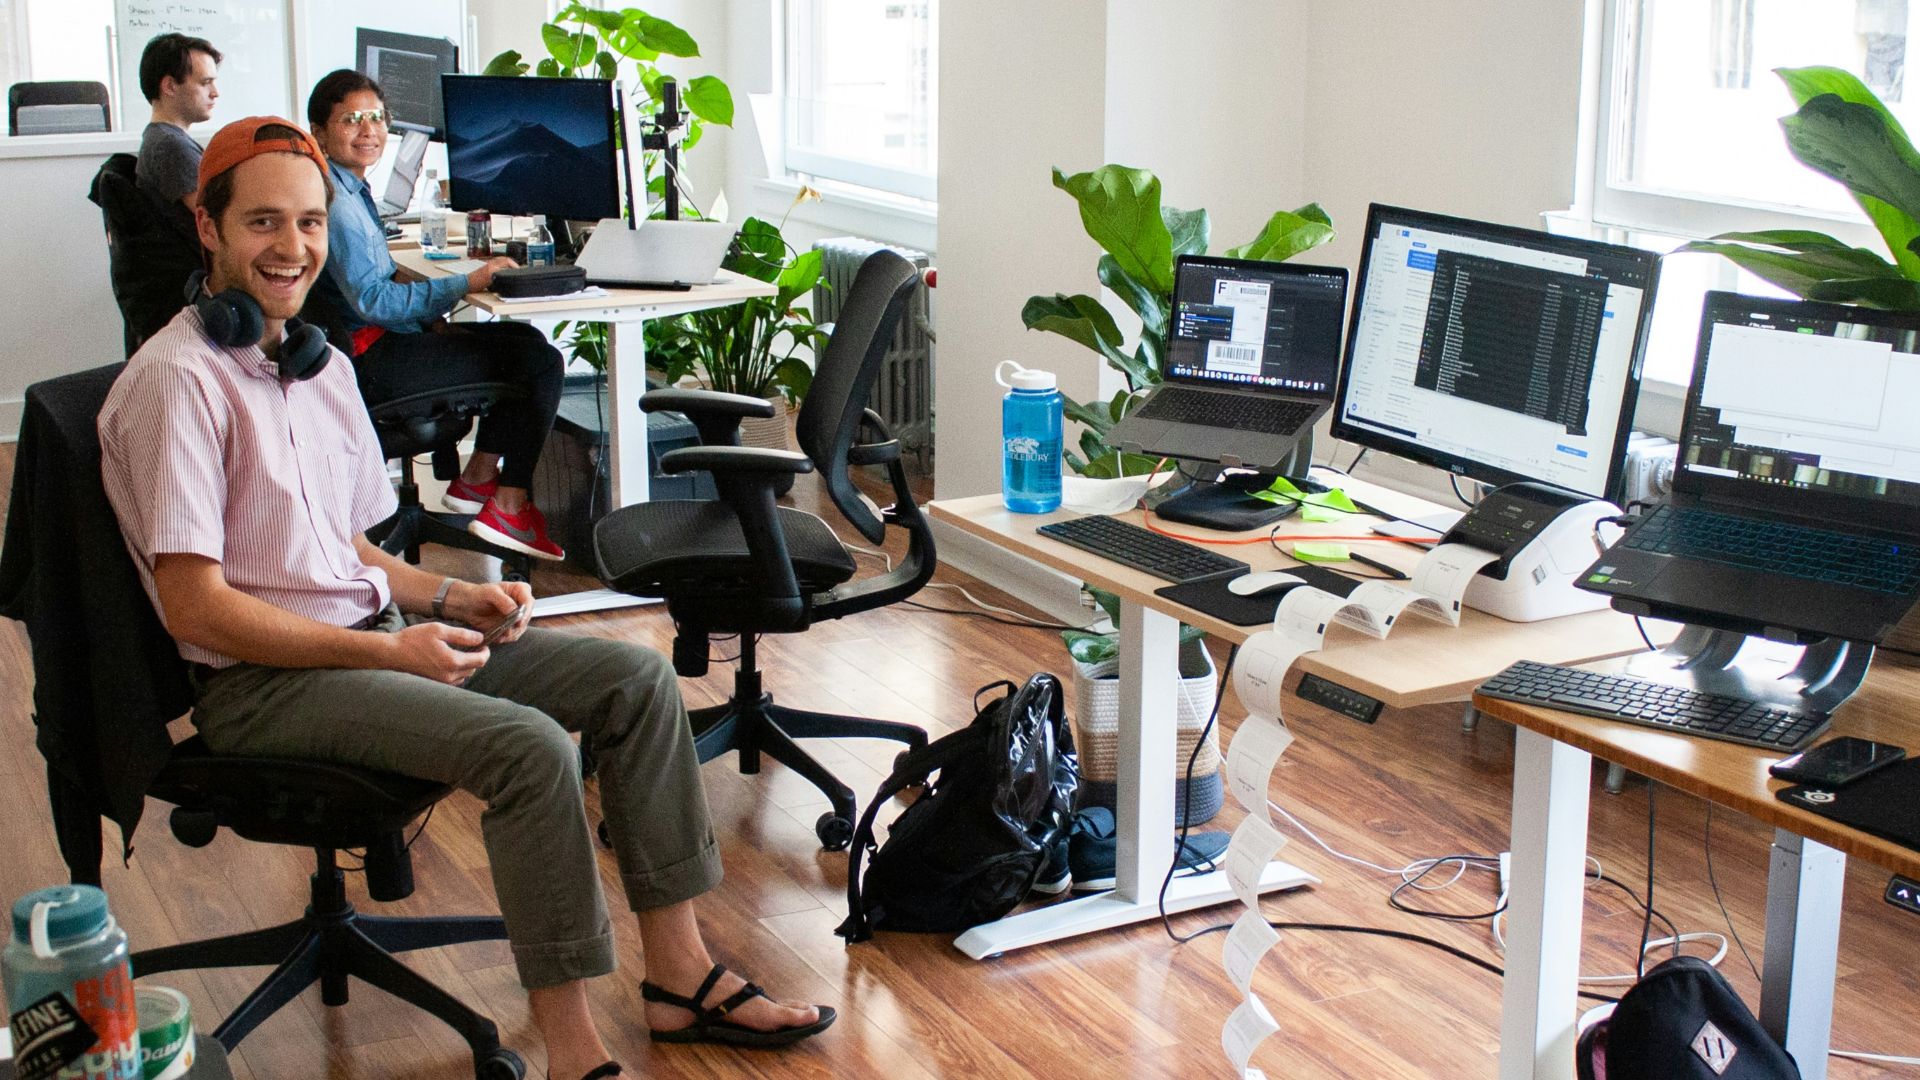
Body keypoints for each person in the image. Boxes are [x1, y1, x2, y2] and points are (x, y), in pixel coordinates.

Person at [97, 117, 833, 1080]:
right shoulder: (178, 382)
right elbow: (196, 610)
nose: (292, 249)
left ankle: (678, 977)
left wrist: (446, 596)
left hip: (373, 635)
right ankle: (573, 1053)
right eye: (264, 223)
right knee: (528, 750)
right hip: (264, 682)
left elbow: (350, 549)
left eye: (312, 223)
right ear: (208, 226)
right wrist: (390, 651)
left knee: (636, 684)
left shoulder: (312, 367)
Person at [305, 68, 568, 561]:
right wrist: (467, 283)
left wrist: (431, 306)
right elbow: (374, 302)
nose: (369, 131)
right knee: (539, 362)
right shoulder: (337, 203)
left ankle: (477, 481)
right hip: (371, 363)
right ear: (319, 131)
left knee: (524, 343)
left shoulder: (345, 187)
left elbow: (373, 283)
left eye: (378, 118)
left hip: (365, 349)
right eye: (351, 121)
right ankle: (506, 501)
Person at [134, 33, 221, 212]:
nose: (215, 92)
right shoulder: (172, 147)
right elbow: (216, 224)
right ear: (170, 86)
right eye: (206, 83)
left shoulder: (159, 138)